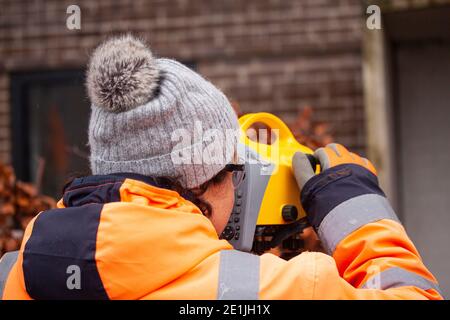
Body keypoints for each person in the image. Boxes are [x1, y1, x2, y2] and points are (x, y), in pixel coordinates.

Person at [0, 35, 442, 300]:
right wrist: (355, 203)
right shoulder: (281, 290)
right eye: (237, 167)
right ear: (206, 180)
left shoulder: (13, 275)